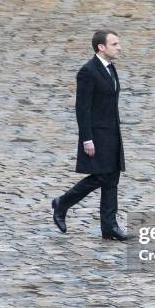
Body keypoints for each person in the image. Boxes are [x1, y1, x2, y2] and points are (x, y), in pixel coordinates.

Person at [52, 29, 130, 241]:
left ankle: (109, 227)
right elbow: (82, 108)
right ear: (101, 47)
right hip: (97, 135)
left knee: (112, 178)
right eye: (114, 44)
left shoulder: (110, 69)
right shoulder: (88, 72)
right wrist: (87, 138)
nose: (119, 47)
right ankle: (62, 203)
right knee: (101, 176)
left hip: (112, 134)